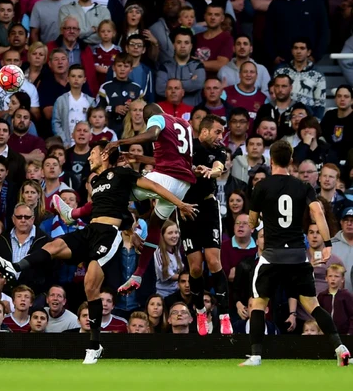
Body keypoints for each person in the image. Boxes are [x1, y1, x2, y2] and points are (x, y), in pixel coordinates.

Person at [0, 140, 196, 364]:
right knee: (53, 245)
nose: (89, 158)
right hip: (90, 230)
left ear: (105, 154)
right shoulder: (96, 182)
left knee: (90, 285)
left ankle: (94, 345)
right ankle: (15, 267)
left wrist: (179, 204)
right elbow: (109, 208)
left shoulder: (122, 173)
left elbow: (154, 188)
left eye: (93, 154)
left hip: (108, 234)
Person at [241, 140, 350, 367]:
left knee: (259, 303)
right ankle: (341, 348)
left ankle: (256, 356)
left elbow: (251, 222)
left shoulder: (262, 186)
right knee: (312, 305)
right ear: (291, 160)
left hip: (272, 256)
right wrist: (328, 243)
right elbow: (318, 213)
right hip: (298, 256)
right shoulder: (303, 187)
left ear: (271, 161)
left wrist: (258, 221)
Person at [112, 103, 196, 296]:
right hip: (183, 184)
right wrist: (137, 158)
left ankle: (74, 213)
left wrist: (120, 142)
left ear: (148, 116)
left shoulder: (157, 119)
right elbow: (172, 159)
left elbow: (153, 134)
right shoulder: (184, 124)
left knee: (114, 191)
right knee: (155, 225)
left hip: (166, 178)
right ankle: (138, 274)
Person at [177, 115, 232, 335]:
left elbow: (219, 166)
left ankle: (224, 316)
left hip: (208, 207)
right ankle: (200, 311)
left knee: (213, 260)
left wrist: (212, 171)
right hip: (186, 208)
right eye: (218, 132)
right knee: (196, 267)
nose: (221, 136)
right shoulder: (186, 146)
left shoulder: (218, 150)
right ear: (205, 131)